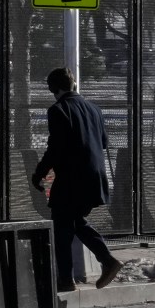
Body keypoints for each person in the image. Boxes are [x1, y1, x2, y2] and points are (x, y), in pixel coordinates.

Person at [31, 66, 122, 290]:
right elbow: (103, 143)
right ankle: (103, 262)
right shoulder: (94, 108)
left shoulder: (58, 109)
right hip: (95, 177)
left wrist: (39, 173)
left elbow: (56, 148)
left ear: (54, 87)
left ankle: (69, 278)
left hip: (72, 179)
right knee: (73, 222)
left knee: (63, 227)